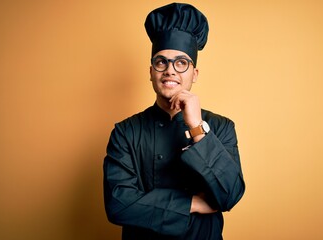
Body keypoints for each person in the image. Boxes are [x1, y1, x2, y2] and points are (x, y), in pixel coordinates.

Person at [103, 3, 245, 239]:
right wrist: (193, 203)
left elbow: (230, 195)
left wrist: (196, 127)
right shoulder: (125, 132)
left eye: (181, 62)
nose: (170, 70)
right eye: (161, 62)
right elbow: (118, 205)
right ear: (151, 72)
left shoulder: (221, 127)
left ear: (194, 74)